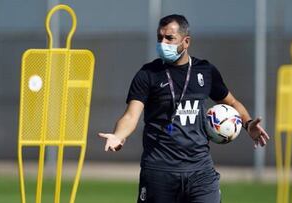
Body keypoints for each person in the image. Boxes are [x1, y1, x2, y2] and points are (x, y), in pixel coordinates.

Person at [98, 14, 269, 203]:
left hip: (200, 172)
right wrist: (118, 135)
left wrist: (248, 123)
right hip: (159, 172)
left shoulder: (205, 70)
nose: (163, 43)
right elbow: (131, 116)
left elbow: (233, 103)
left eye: (169, 38)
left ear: (186, 41)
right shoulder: (148, 74)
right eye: (159, 38)